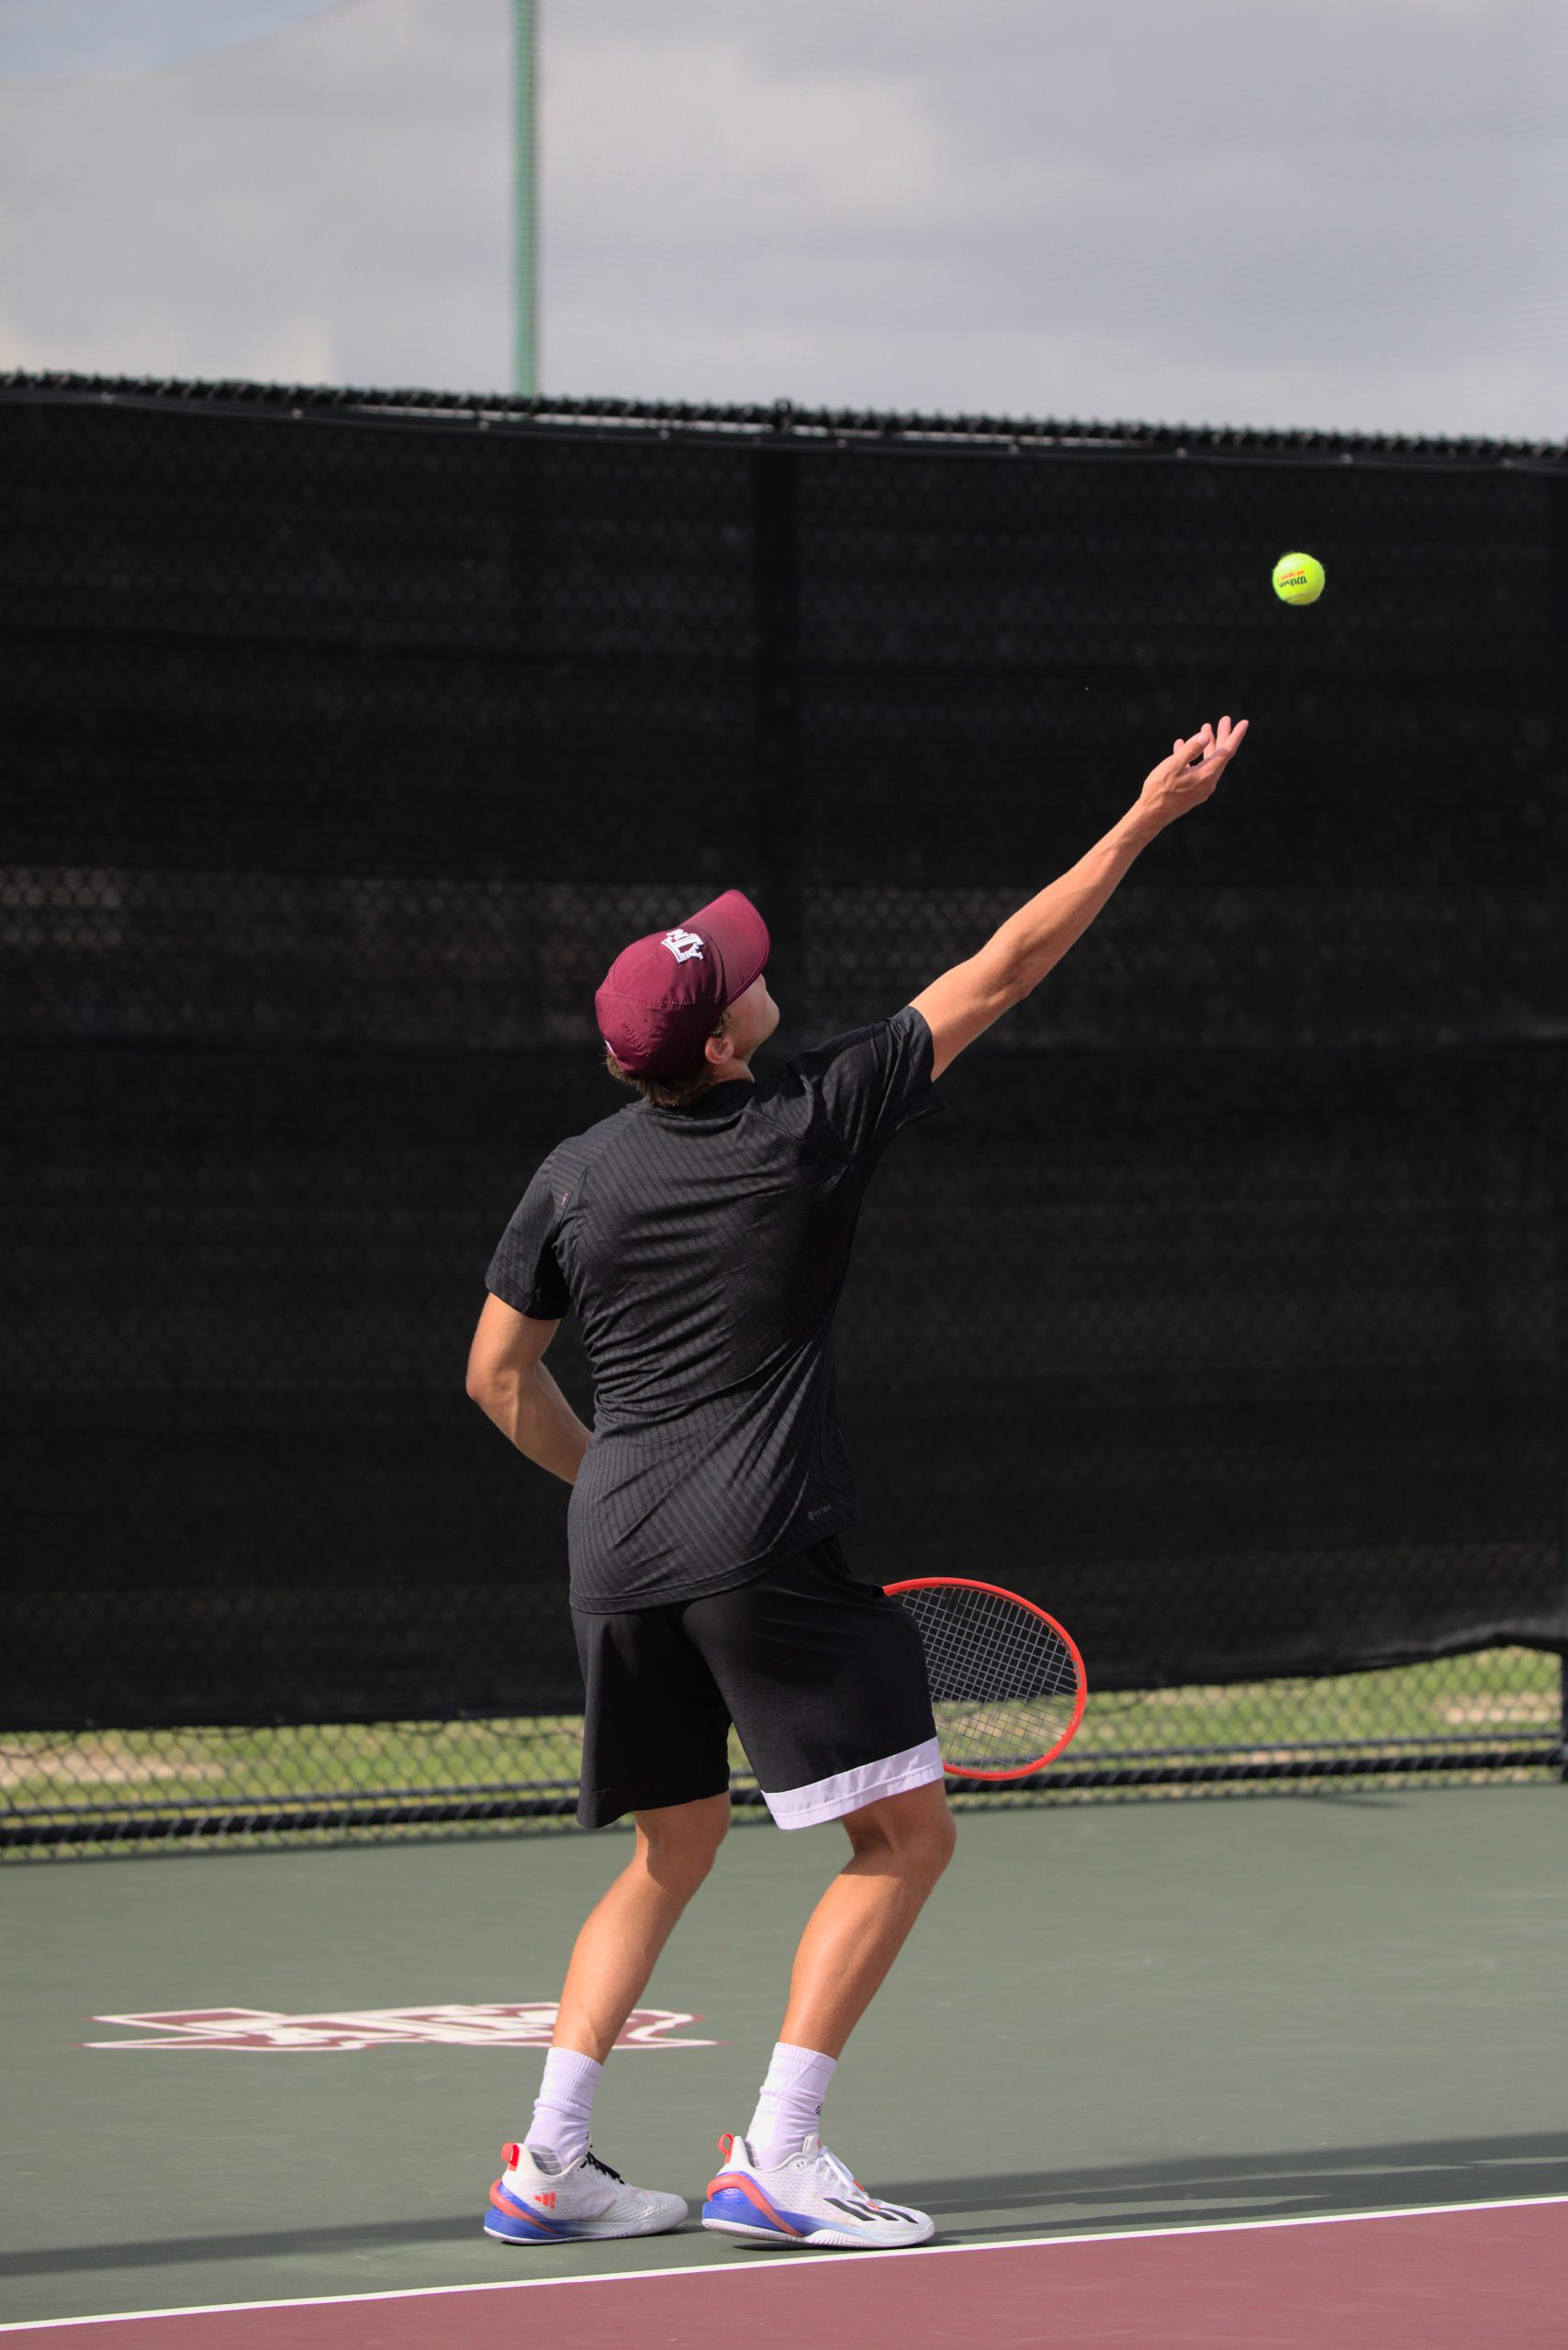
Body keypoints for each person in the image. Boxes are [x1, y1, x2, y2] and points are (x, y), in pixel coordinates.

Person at [465, 716, 1249, 2250]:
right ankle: (778, 2155)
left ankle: (547, 2167)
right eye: (738, 975)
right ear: (725, 1040)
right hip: (760, 1544)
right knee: (905, 1838)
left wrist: (612, 1483)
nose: (761, 968)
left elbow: (497, 1378)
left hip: (614, 1553)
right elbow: (1008, 967)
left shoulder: (574, 1170)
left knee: (669, 1848)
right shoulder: (806, 1120)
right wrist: (1146, 817)